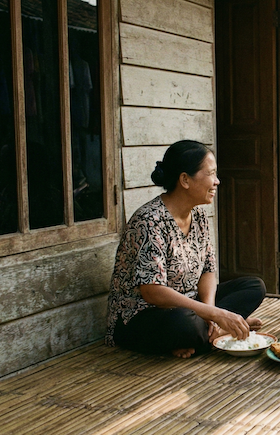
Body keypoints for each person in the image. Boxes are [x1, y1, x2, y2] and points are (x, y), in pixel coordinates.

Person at [105, 140, 266, 359]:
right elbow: (152, 291)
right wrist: (214, 314)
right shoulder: (149, 220)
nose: (217, 181)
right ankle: (211, 333)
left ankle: (206, 332)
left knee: (254, 286)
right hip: (142, 317)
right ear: (185, 180)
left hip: (190, 306)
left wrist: (211, 313)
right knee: (183, 324)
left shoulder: (199, 216)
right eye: (211, 173)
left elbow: (208, 270)